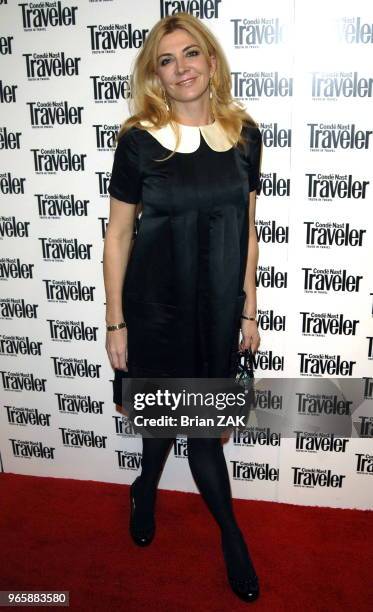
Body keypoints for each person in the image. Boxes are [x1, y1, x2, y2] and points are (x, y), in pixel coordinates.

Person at [103, 12, 262, 604]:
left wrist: (247, 309)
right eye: (166, 61)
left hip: (217, 306)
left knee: (188, 423)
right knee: (173, 422)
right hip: (154, 307)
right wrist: (115, 320)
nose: (181, 68)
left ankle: (145, 488)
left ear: (211, 61)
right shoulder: (138, 142)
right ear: (156, 76)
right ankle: (230, 537)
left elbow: (247, 228)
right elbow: (118, 236)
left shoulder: (245, 135)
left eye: (190, 54)